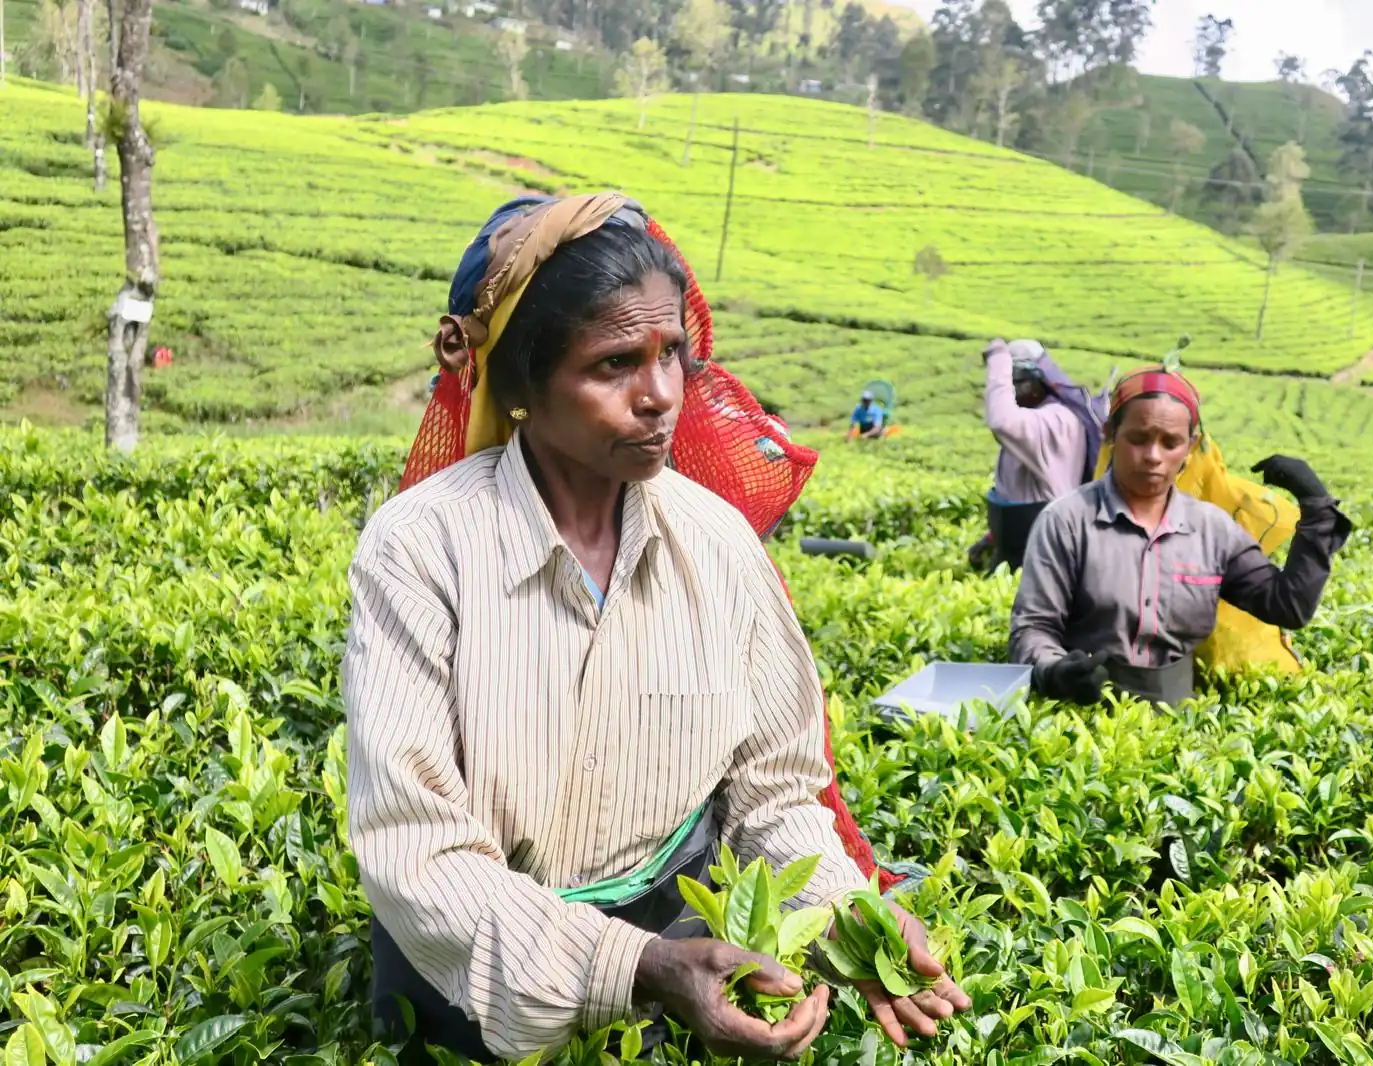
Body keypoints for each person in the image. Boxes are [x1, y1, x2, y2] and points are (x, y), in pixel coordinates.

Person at [343, 193, 968, 1065]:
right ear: (521, 383)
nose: (660, 395)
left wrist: (844, 917)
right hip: (471, 972)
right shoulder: (421, 549)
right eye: (613, 365)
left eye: (671, 352)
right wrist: (638, 967)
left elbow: (773, 792)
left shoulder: (715, 543)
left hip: (686, 946)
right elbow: (418, 849)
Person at [1008, 364, 1352, 708]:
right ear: (1111, 433)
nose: (1153, 456)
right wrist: (1056, 672)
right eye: (1138, 438)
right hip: (1083, 722)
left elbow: (1287, 606)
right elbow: (1032, 628)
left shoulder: (1212, 530)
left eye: (1170, 442)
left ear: (1191, 446)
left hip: (1181, 722)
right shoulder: (1066, 521)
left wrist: (1317, 509)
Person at [970, 339, 1104, 572]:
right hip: (1017, 546)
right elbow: (1019, 489)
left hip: (1043, 553)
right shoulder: (1033, 418)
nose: (1010, 393)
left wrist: (998, 359)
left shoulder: (1056, 420)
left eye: (1015, 384)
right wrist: (993, 538)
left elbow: (1001, 421)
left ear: (1035, 383)